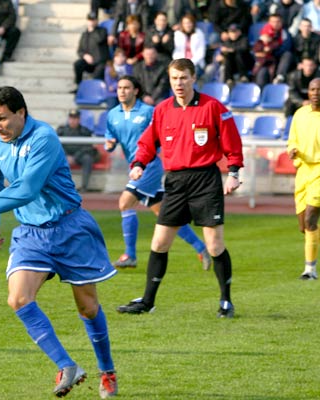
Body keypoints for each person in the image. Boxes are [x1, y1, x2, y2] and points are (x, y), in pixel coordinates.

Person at [0, 86, 118, 399]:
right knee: (18, 299)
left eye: (3, 118)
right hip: (31, 233)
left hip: (70, 228)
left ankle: (107, 371)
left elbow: (28, 188)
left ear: (21, 113)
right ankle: (67, 366)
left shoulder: (44, 138)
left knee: (87, 307)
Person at [116, 58, 243, 318]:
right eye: (174, 78)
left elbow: (232, 142)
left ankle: (226, 301)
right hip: (174, 182)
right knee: (159, 243)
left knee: (214, 245)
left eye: (184, 78)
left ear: (193, 78)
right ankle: (148, 302)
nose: (179, 83)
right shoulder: (162, 110)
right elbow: (148, 143)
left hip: (205, 181)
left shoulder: (213, 107)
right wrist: (139, 164)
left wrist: (233, 173)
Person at [104, 75, 211, 270]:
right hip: (135, 168)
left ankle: (130, 255)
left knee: (125, 202)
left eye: (126, 88)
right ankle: (201, 248)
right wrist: (109, 145)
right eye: (119, 88)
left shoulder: (148, 112)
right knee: (165, 214)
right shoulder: (112, 114)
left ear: (136, 91)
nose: (122, 91)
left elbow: (165, 132)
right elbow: (110, 137)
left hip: (150, 165)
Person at [287, 77, 320, 280]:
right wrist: (292, 150)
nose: (316, 93)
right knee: (303, 226)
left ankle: (310, 270)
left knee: (310, 219)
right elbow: (292, 139)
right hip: (303, 171)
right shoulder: (300, 114)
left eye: (319, 89)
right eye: (312, 89)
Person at [57, 109, 101, 192]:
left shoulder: (85, 131)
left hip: (80, 156)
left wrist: (75, 157)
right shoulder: (61, 131)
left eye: (75, 118)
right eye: (71, 118)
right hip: (65, 156)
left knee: (88, 158)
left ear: (79, 119)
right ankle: (60, 186)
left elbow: (88, 147)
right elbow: (57, 146)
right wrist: (66, 156)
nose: (73, 120)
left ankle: (84, 186)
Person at [71, 11, 109, 93]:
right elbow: (80, 50)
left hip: (100, 62)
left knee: (96, 76)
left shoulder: (102, 31)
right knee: (78, 64)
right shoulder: (84, 34)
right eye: (90, 20)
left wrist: (92, 30)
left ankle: (92, 91)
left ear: (97, 21)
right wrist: (85, 56)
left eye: (93, 20)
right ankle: (79, 86)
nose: (91, 22)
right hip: (89, 62)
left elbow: (99, 39)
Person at [172, 13, 206, 78]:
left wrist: (190, 63)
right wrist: (181, 63)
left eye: (189, 23)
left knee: (189, 74)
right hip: (180, 63)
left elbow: (201, 53)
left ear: (193, 23)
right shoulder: (177, 34)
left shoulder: (199, 33)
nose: (187, 25)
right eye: (185, 23)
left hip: (196, 64)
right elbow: (176, 51)